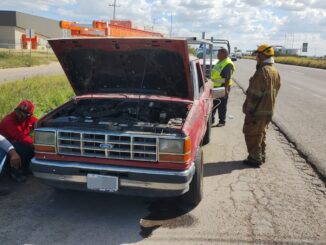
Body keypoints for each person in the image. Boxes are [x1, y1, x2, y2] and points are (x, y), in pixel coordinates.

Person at [242, 44, 281, 167]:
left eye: (258, 55)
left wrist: (249, 111)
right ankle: (261, 155)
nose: (256, 57)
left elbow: (254, 94)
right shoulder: (274, 71)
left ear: (263, 55)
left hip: (257, 111)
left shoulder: (262, 72)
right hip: (268, 110)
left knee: (251, 133)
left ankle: (255, 158)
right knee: (261, 134)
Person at [0, 100, 38, 181]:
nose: (21, 115)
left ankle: (24, 168)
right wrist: (36, 145)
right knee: (25, 148)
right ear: (16, 110)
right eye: (19, 112)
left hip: (14, 143)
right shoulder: (8, 121)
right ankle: (13, 171)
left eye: (24, 114)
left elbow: (40, 123)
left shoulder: (29, 119)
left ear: (29, 115)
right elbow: (21, 137)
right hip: (4, 146)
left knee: (27, 147)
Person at [210, 48, 235, 127]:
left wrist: (226, 89)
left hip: (222, 87)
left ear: (224, 54)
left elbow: (227, 78)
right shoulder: (220, 61)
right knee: (214, 104)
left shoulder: (227, 63)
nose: (217, 55)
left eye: (219, 53)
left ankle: (222, 121)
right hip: (216, 86)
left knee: (222, 105)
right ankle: (211, 120)